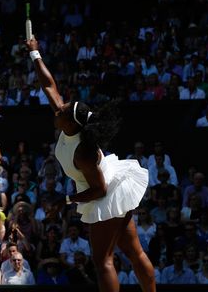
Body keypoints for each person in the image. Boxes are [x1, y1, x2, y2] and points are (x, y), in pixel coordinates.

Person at [27, 36, 155, 292]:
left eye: (62, 112)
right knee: (132, 250)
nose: (58, 110)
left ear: (72, 124)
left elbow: (101, 190)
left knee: (103, 260)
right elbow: (48, 85)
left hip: (105, 193)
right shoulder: (68, 120)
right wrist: (35, 53)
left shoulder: (83, 153)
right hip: (111, 186)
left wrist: (66, 202)